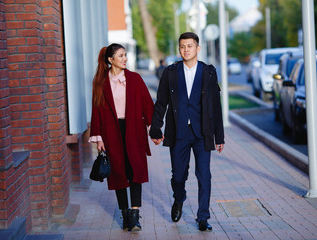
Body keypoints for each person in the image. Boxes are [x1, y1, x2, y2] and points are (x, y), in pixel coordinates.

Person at [149, 32, 225, 231]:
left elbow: (215, 105)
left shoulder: (208, 72)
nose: (186, 50)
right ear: (179, 49)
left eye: (190, 46)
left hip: (202, 133)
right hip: (179, 132)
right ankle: (179, 198)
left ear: (198, 48)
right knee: (178, 176)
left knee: (204, 175)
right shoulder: (170, 72)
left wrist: (220, 136)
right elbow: (161, 102)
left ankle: (202, 217)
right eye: (182, 46)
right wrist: (155, 129)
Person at [89, 43, 154, 232]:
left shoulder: (135, 79)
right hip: (111, 131)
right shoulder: (101, 82)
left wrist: (154, 129)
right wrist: (98, 137)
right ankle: (125, 213)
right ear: (110, 60)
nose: (125, 59)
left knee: (135, 169)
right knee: (118, 171)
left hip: (134, 128)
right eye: (121, 56)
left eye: (125, 55)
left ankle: (134, 215)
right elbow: (97, 111)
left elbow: (147, 105)